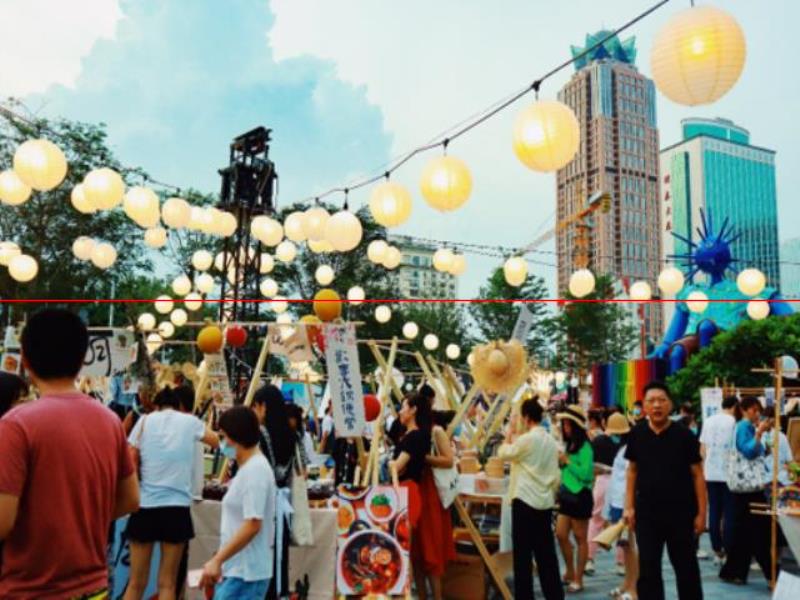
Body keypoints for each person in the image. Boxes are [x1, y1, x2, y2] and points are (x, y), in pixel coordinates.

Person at [0, 309, 140, 598]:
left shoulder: (16, 425)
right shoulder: (109, 421)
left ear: (25, 360)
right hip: (94, 588)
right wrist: (79, 520)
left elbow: (3, 520)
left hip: (31, 590)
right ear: (82, 360)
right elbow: (130, 499)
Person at [125, 387, 218, 600]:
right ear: (179, 406)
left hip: (145, 506)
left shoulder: (145, 421)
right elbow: (216, 442)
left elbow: (130, 458)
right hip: (176, 508)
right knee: (167, 583)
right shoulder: (190, 422)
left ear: (157, 405)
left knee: (136, 583)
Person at [624, 381, 705, 600]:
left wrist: (701, 513)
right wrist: (628, 507)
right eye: (651, 401)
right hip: (647, 514)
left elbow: (697, 474)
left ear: (670, 405)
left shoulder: (684, 436)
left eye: (662, 400)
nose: (657, 405)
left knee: (686, 568)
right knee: (649, 569)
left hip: (681, 513)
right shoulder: (637, 434)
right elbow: (632, 471)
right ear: (645, 407)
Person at [200, 406, 277, 599]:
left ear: (236, 437)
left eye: (224, 436)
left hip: (247, 573)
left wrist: (218, 559)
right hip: (238, 569)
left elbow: (252, 524)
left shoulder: (255, 471)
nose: (222, 443)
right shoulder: (248, 468)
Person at [499, 398, 563, 600]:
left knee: (523, 557)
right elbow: (556, 476)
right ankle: (554, 595)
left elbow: (503, 453)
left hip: (524, 501)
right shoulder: (551, 441)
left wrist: (509, 433)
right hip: (544, 503)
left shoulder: (527, 440)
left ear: (526, 418)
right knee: (546, 555)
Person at [719, 396, 775, 586]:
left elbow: (760, 451)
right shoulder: (744, 427)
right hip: (748, 489)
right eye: (753, 410)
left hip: (747, 490)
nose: (756, 413)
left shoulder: (747, 426)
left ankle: (736, 572)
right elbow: (748, 451)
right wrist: (759, 433)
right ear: (743, 410)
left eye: (757, 410)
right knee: (759, 532)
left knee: (745, 532)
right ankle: (769, 574)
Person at [251, 385, 297, 600]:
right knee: (279, 558)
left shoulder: (259, 435)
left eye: (255, 406)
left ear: (263, 407)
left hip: (262, 503)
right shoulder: (291, 434)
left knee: (261, 557)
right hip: (283, 504)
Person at [412, 408, 457, 600]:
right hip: (416, 493)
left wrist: (424, 458)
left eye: (406, 406)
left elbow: (449, 460)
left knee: (431, 549)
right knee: (417, 552)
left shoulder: (435, 431)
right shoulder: (411, 433)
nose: (401, 411)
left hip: (431, 494)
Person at [555, 405, 594, 593]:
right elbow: (567, 472)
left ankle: (578, 578)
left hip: (580, 496)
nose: (565, 427)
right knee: (561, 533)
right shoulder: (570, 444)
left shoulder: (585, 446)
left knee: (580, 539)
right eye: (564, 424)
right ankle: (570, 571)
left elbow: (586, 474)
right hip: (567, 496)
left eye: (568, 424)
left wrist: (567, 462)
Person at [602, 413, 638, 600]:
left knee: (631, 548)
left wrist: (627, 506)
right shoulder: (622, 449)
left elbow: (628, 481)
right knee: (626, 547)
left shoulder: (629, 450)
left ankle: (634, 589)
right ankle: (627, 584)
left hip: (625, 503)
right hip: (618, 502)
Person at [699, 395, 737, 563]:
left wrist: (707, 465)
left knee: (714, 511)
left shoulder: (709, 420)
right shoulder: (733, 422)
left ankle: (716, 550)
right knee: (729, 513)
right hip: (728, 473)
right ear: (735, 406)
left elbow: (703, 448)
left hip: (711, 472)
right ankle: (728, 550)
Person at [389, 394, 433, 540]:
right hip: (406, 489)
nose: (400, 412)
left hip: (406, 491)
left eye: (403, 407)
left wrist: (390, 464)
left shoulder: (415, 436)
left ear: (413, 410)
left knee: (403, 543)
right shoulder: (410, 434)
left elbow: (397, 466)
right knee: (404, 545)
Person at [586, 411, 621, 576]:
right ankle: (621, 563)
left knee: (595, 520)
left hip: (602, 482)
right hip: (621, 484)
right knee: (621, 523)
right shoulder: (625, 442)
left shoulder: (598, 441)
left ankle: (589, 560)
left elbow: (591, 466)